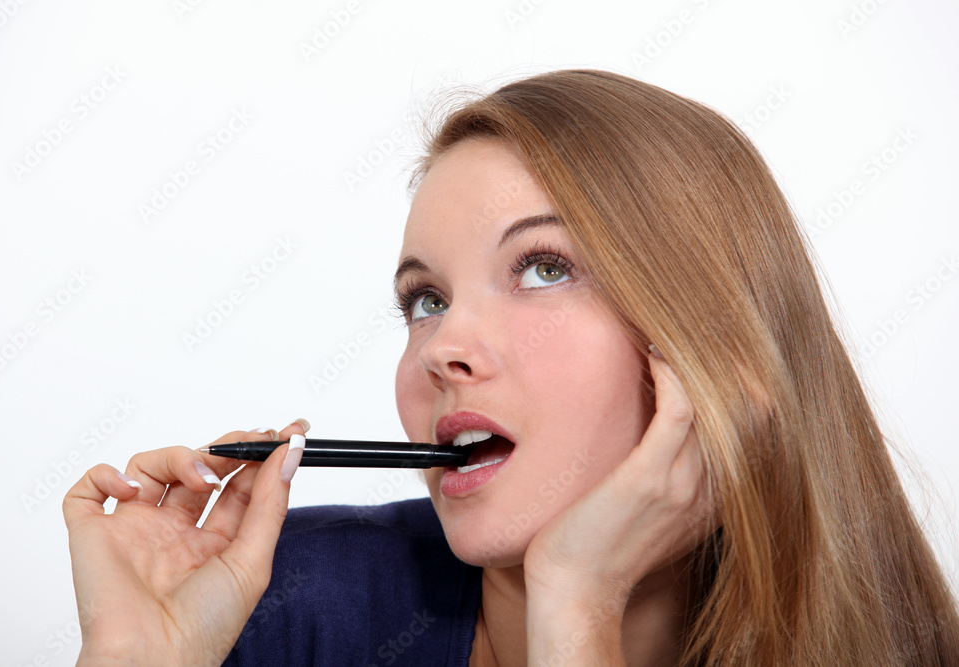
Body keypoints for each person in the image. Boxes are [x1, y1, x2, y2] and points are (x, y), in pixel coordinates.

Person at [64, 69, 959, 666]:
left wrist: (578, 606)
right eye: (426, 299)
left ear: (708, 346)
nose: (441, 347)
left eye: (544, 268)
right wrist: (135, 659)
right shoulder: (289, 599)